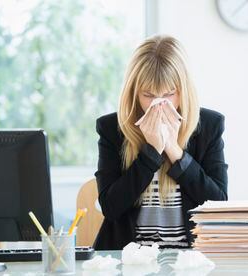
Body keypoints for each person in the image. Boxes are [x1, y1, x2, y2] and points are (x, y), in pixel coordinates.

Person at [94, 35, 228, 250]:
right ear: (134, 92)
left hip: (190, 259)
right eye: (148, 95)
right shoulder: (111, 128)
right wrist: (151, 153)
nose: (158, 105)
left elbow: (218, 204)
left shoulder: (209, 126)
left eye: (168, 94)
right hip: (130, 258)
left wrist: (174, 150)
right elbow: (110, 207)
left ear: (183, 90)